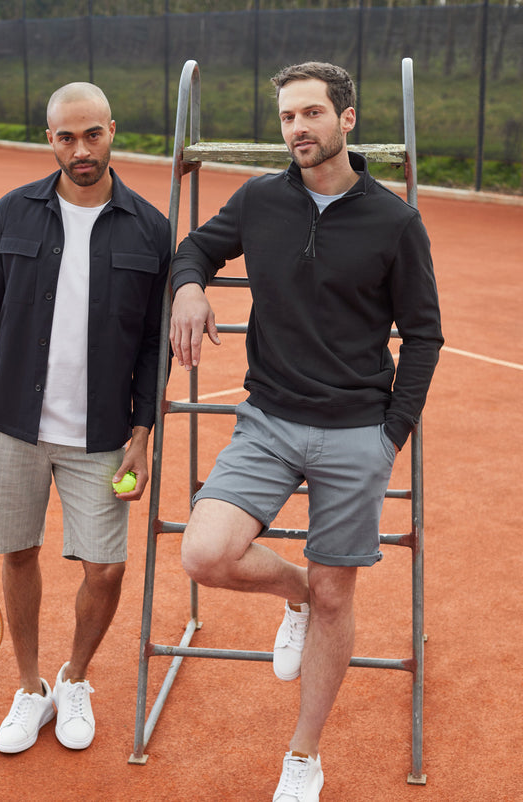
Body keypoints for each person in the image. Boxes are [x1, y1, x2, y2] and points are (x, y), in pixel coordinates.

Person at [169, 62, 443, 801]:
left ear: (347, 120)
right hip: (268, 419)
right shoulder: (259, 200)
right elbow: (194, 247)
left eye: (312, 114)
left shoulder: (394, 221)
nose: (297, 129)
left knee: (339, 597)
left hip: (359, 430)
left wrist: (391, 436)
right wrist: (190, 287)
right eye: (288, 117)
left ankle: (303, 755)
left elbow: (423, 335)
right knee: (204, 552)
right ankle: (295, 596)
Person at [0, 82, 171, 754]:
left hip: (102, 435)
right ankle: (29, 688)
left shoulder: (150, 227)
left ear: (112, 130)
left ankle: (75, 678)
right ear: (49, 138)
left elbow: (153, 345)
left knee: (105, 567)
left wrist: (142, 434)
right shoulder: (12, 213)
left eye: (92, 134)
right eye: (66, 137)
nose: (81, 149)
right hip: (14, 424)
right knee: (18, 553)